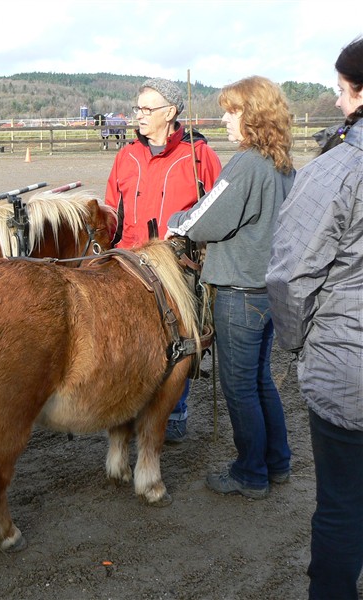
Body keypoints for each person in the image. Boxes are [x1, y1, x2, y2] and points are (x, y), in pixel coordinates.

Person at [266, 36, 363, 599]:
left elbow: (288, 276)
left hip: (349, 375)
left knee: (343, 507)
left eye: (340, 89)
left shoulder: (335, 171)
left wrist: (297, 344)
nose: (334, 102)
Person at [167, 75, 294, 500]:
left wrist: (175, 223)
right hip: (268, 291)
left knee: (240, 387)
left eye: (232, 110)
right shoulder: (282, 164)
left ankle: (249, 474)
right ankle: (277, 463)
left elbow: (206, 219)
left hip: (240, 293)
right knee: (260, 380)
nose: (224, 119)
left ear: (253, 115)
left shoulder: (246, 165)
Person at [105, 77, 223, 442]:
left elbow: (219, 211)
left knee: (178, 342)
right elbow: (112, 209)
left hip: (177, 267)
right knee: (127, 342)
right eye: (137, 108)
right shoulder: (126, 155)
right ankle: (128, 409)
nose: (138, 115)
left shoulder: (200, 155)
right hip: (127, 263)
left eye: (146, 109)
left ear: (170, 112)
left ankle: (175, 411)